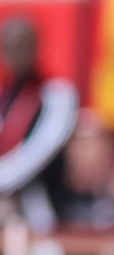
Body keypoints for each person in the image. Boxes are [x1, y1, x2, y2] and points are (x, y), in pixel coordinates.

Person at [0, 16, 79, 232]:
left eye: (22, 45)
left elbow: (42, 149)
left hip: (43, 200)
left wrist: (3, 180)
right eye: (9, 46)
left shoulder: (57, 94)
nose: (15, 52)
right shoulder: (4, 96)